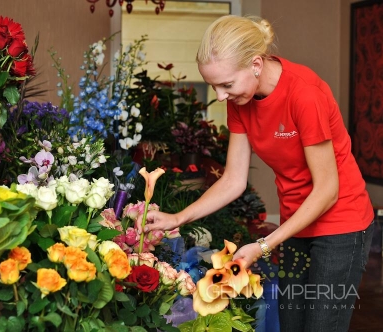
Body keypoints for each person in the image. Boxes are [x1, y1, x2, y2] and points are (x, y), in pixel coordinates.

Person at [136, 15, 374, 332]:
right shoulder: (242, 98)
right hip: (295, 223)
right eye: (213, 86)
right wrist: (178, 218)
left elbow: (327, 189)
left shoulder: (305, 94)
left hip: (341, 222)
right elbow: (234, 179)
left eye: (226, 85)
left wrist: (264, 245)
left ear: (256, 65)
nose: (220, 96)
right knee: (291, 325)